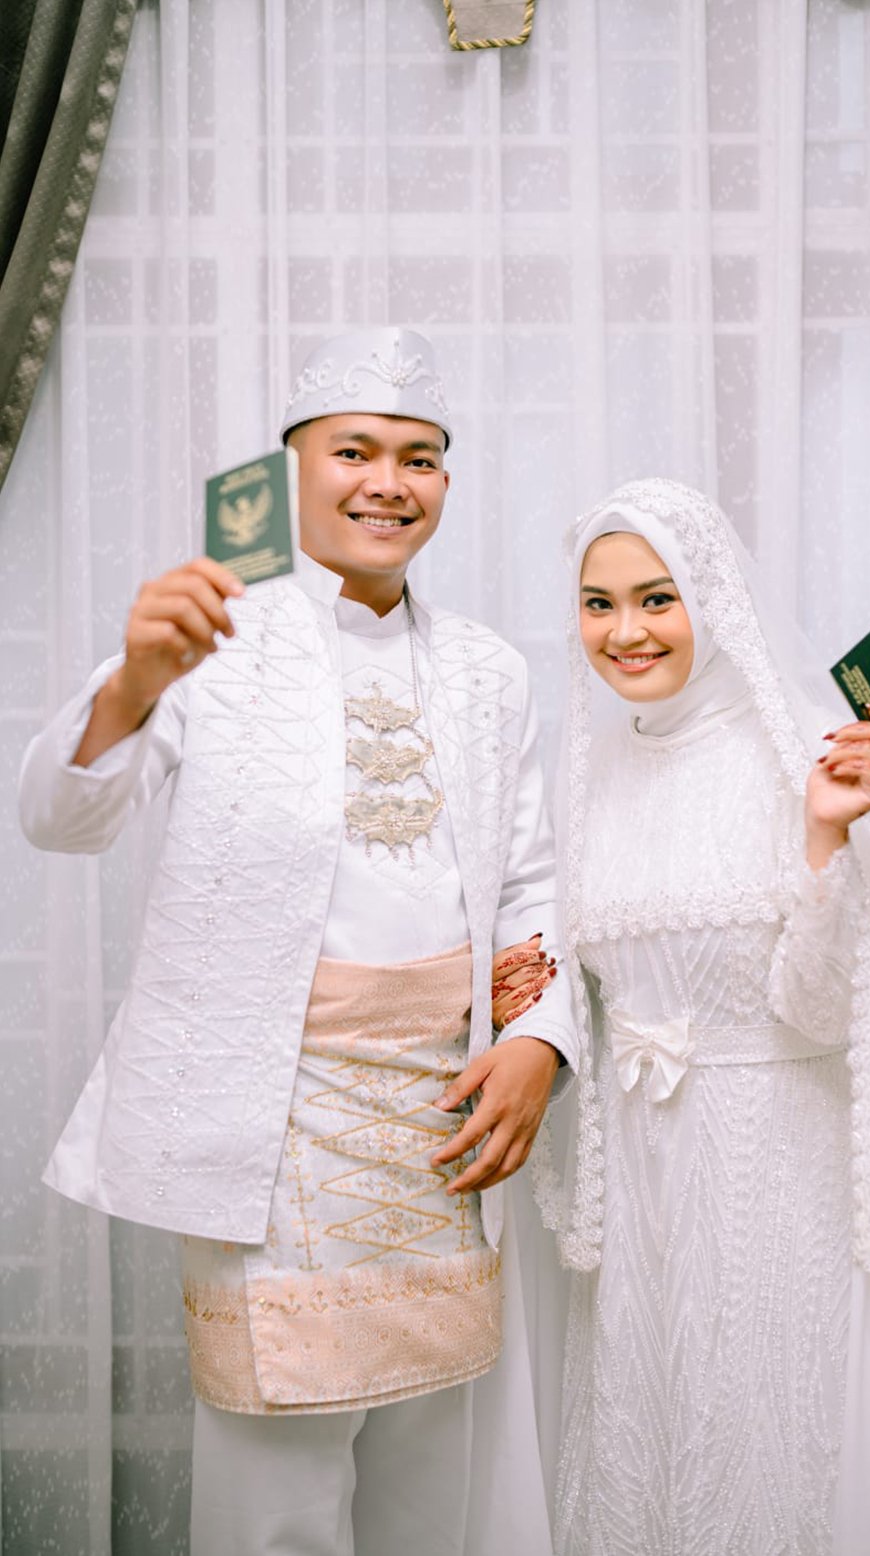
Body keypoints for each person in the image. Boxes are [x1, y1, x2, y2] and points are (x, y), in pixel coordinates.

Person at [18, 326, 578, 1556]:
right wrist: (134, 684)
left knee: (431, 1491)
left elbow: (531, 881)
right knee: (274, 1497)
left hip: (443, 1116)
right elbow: (59, 820)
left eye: (419, 457)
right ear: (289, 473)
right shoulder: (209, 630)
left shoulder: (489, 670)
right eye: (355, 451)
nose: (389, 482)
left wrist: (538, 1042)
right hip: (264, 1121)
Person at [533, 478, 870, 1556]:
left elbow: (825, 1013)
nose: (626, 631)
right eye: (599, 604)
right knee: (652, 1451)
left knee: (773, 1454)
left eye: (657, 598)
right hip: (644, 1192)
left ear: (712, 597)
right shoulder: (585, 772)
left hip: (781, 1178)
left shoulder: (803, 751)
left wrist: (826, 836)